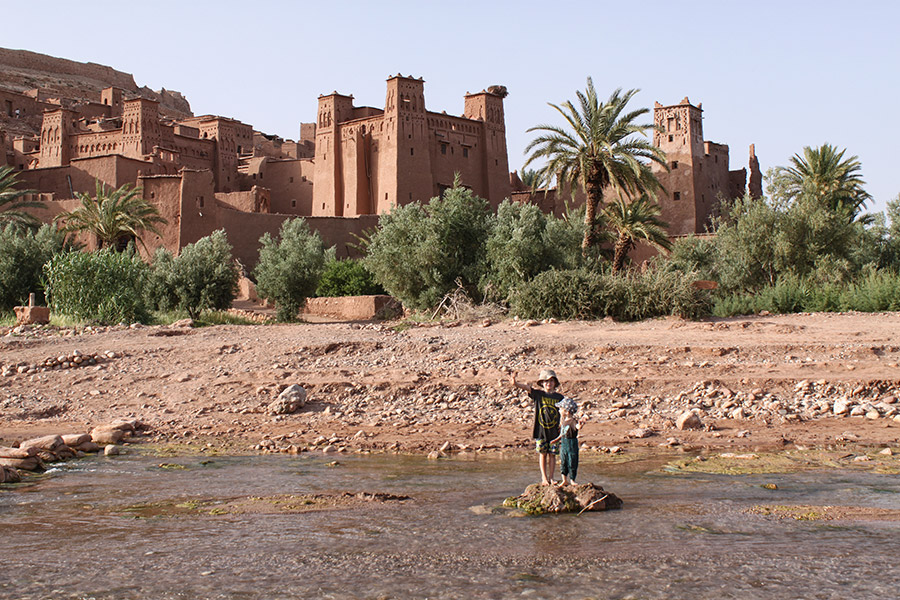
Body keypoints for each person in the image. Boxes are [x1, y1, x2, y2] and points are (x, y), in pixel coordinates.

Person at [511, 368, 563, 485]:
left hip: (554, 430)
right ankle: (544, 478)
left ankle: (552, 478)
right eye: (545, 381)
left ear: (555, 383)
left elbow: (565, 411)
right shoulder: (538, 394)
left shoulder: (559, 397)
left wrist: (563, 424)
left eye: (550, 381)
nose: (548, 383)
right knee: (543, 454)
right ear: (542, 383)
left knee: (553, 455)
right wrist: (515, 382)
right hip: (541, 430)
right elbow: (526, 388)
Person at [550, 397, 587, 486]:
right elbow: (562, 434)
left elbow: (577, 427)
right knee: (563, 461)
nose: (559, 411)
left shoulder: (573, 421)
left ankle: (572, 480)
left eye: (560, 409)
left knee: (572, 461)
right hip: (564, 443)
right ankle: (564, 480)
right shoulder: (563, 421)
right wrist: (556, 440)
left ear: (567, 411)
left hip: (572, 443)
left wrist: (580, 425)